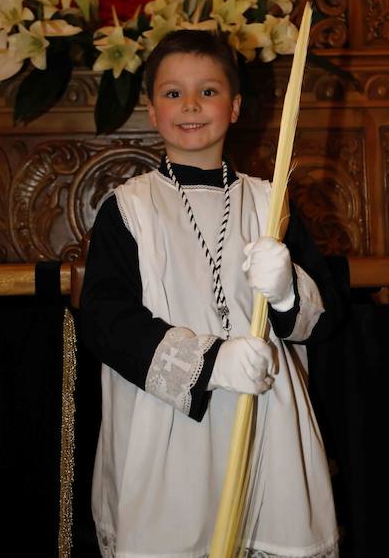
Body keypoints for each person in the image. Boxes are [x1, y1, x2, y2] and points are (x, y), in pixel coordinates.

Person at [80, 29, 339, 558]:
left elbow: (326, 318)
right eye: (173, 93)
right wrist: (211, 363)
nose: (191, 105)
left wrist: (289, 292)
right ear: (151, 110)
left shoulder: (272, 205)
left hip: (266, 419)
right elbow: (107, 320)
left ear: (236, 106)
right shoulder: (129, 209)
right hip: (167, 423)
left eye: (209, 91)